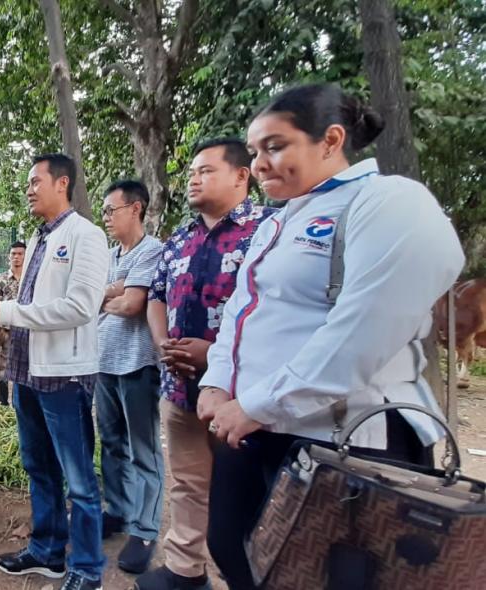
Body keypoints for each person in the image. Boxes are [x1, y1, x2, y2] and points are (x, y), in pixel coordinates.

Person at [197, 83, 465, 589]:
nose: (259, 164)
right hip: (254, 425)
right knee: (235, 548)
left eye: (275, 146)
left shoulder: (387, 202)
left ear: (331, 140)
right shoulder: (276, 224)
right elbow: (241, 310)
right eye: (255, 151)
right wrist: (218, 381)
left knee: (325, 572)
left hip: (343, 440)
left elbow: (363, 331)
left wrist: (258, 404)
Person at [0, 153, 109, 590]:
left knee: (78, 478)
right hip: (27, 372)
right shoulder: (39, 238)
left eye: (34, 182)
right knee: (38, 465)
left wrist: (4, 311)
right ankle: (47, 552)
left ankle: (87, 569)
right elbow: (32, 303)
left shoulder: (86, 236)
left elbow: (81, 307)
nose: (28, 190)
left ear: (62, 183)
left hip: (64, 376)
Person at [141, 138, 274, 590]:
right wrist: (164, 345)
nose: (194, 179)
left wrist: (214, 354)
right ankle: (185, 570)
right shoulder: (180, 238)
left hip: (243, 396)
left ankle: (249, 577)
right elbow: (157, 296)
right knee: (187, 482)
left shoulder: (269, 229)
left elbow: (280, 310)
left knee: (246, 493)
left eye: (206, 171)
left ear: (241, 175)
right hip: (179, 389)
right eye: (191, 172)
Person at [94, 180, 165, 575]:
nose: (106, 217)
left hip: (137, 363)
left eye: (111, 210)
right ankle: (117, 511)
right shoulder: (108, 256)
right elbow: (92, 299)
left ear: (136, 208)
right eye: (104, 211)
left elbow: (133, 304)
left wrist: (111, 295)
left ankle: (145, 529)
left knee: (143, 448)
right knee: (111, 443)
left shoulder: (152, 250)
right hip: (103, 362)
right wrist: (114, 290)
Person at [0, 241, 26, 406]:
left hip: (27, 328)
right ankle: (2, 404)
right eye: (13, 254)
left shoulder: (31, 278)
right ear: (8, 257)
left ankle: (21, 404)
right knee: (2, 368)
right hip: (5, 330)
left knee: (25, 367)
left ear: (25, 256)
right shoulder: (0, 279)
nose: (16, 257)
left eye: (20, 254)